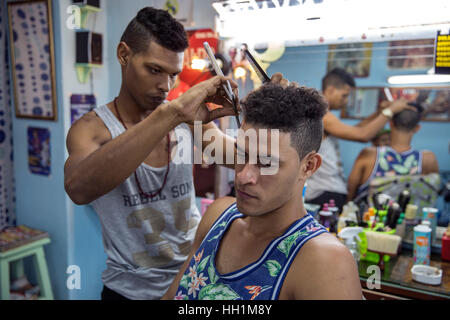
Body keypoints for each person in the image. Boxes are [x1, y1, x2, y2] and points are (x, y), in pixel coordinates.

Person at [64, 7, 238, 300]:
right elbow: (78, 189)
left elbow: (238, 158)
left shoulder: (184, 118)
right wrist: (172, 114)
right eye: (155, 70)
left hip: (190, 281)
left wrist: (271, 113)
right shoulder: (92, 130)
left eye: (173, 75)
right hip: (127, 291)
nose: (165, 86)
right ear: (123, 54)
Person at [163, 83, 363, 300]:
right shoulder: (219, 216)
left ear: (308, 167)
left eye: (267, 164)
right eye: (241, 154)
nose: (242, 176)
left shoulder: (323, 261)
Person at [305, 68, 413, 212]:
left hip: (330, 190)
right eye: (344, 95)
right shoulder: (322, 115)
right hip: (323, 192)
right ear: (330, 90)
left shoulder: (327, 117)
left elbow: (356, 130)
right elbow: (362, 135)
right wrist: (390, 111)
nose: (346, 101)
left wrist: (379, 112)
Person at [347, 106, 439, 202]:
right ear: (417, 128)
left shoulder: (369, 155)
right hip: (412, 217)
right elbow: (431, 194)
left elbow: (350, 192)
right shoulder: (427, 159)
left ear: (390, 124)